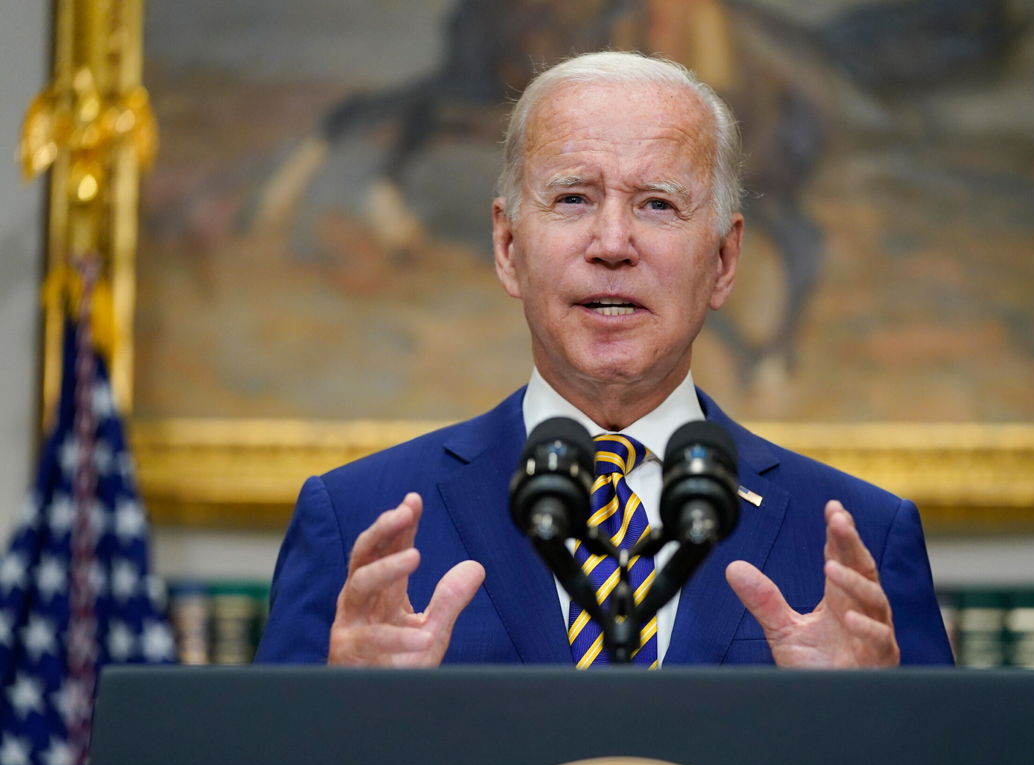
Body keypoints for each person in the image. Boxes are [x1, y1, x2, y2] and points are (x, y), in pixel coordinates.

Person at [255, 51, 953, 668]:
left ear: (724, 260)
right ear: (507, 248)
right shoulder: (355, 522)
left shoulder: (862, 543)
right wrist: (348, 722)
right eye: (573, 198)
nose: (612, 242)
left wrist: (861, 725)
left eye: (656, 204)